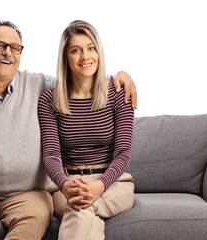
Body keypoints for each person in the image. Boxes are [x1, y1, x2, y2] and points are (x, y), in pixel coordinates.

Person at [0, 20, 137, 240]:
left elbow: (82, 76)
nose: (8, 53)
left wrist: (120, 76)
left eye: (15, 48)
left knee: (59, 211)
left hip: (27, 195)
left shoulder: (38, 85)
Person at [38, 20, 135, 240]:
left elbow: (123, 153)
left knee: (80, 209)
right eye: (76, 50)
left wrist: (99, 185)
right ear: (65, 57)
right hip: (68, 185)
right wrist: (64, 185)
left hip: (114, 183)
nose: (85, 57)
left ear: (99, 53)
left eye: (91, 48)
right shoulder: (48, 101)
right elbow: (51, 155)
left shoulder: (120, 95)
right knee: (83, 211)